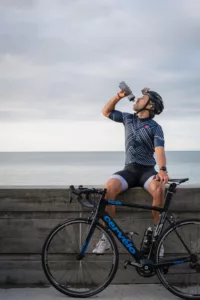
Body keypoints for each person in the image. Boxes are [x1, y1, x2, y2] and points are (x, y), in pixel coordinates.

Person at [93, 87, 169, 254]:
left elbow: (159, 150)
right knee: (109, 188)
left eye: (143, 98)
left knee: (159, 189)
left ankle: (158, 239)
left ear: (150, 106)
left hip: (147, 172)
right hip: (129, 170)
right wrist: (119, 96)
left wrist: (162, 170)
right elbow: (106, 111)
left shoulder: (155, 127)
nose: (137, 100)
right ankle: (106, 238)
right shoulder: (128, 119)